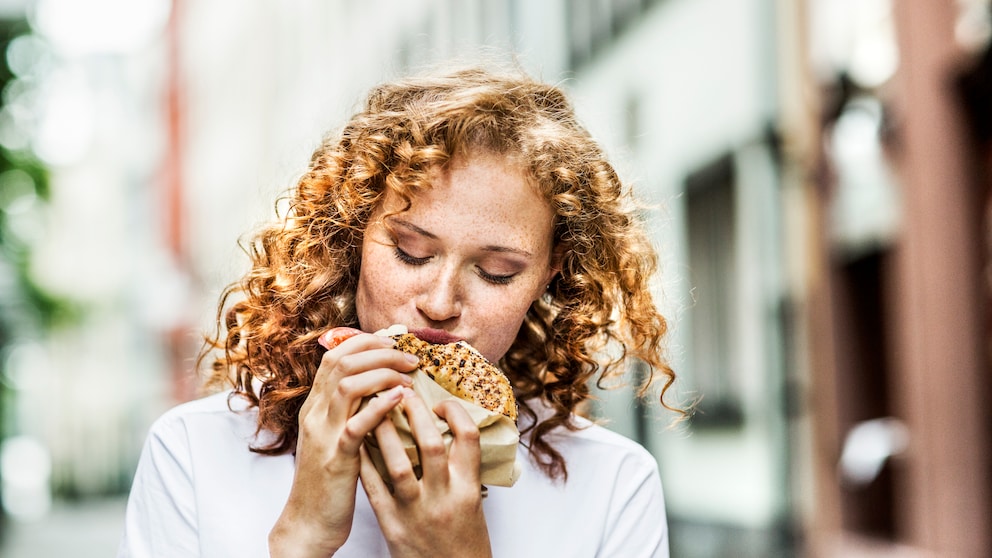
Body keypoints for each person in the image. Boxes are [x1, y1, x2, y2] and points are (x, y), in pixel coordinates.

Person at [118, 63, 680, 558]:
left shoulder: (611, 486)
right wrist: (301, 537)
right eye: (411, 253)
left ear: (549, 274)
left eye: (497, 272)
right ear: (354, 236)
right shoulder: (195, 453)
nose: (439, 303)